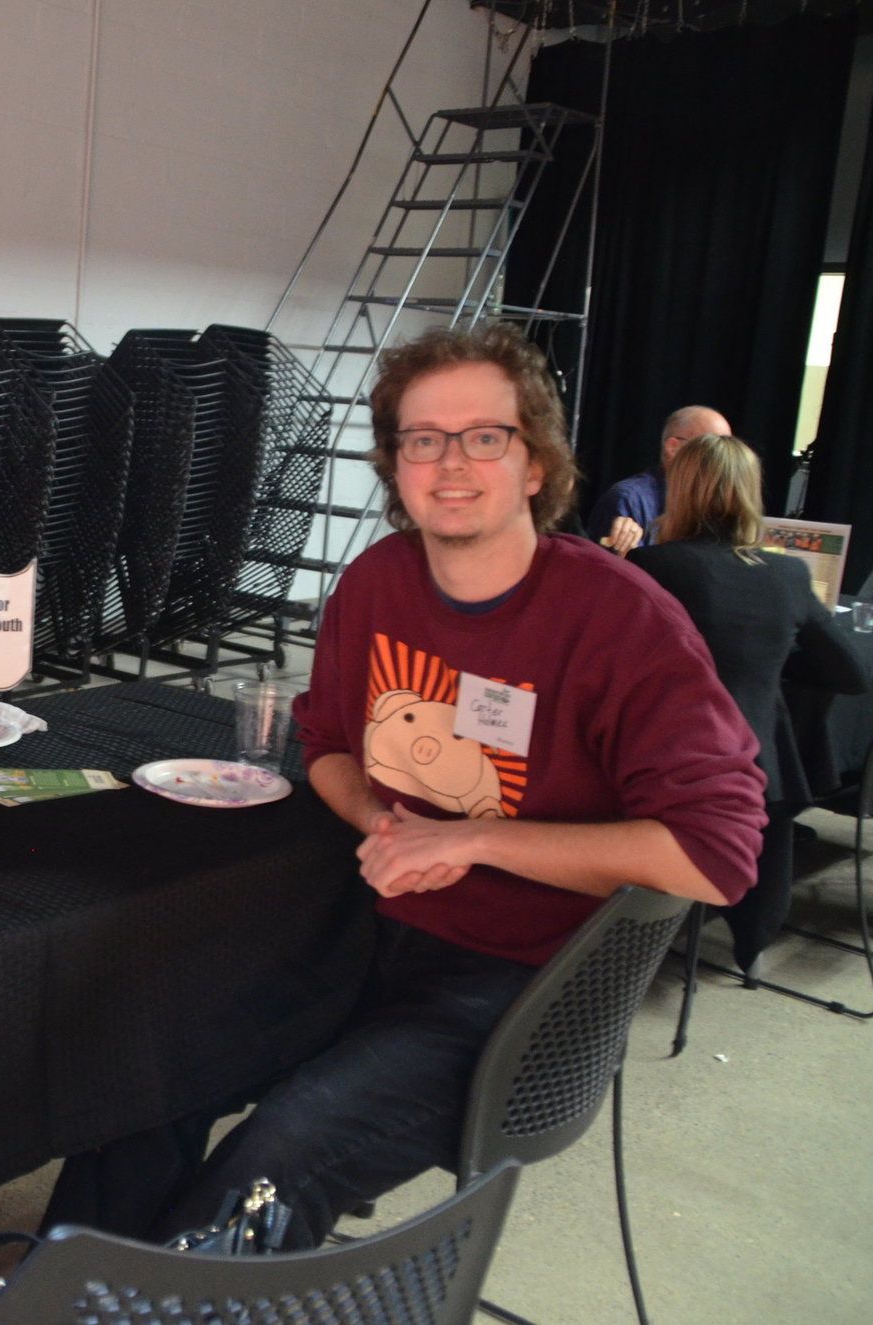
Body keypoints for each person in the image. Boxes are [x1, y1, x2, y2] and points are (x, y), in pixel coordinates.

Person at [45, 325, 766, 1251]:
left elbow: (717, 853)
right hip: (354, 933)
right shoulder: (378, 584)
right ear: (397, 464)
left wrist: (470, 839)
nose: (450, 462)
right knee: (140, 1078)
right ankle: (58, 1299)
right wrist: (390, 824)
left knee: (269, 1169)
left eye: (484, 436)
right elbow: (332, 746)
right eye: (423, 439)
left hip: (513, 988)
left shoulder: (620, 619)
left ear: (537, 463)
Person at [630, 434, 870, 971]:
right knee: (775, 787)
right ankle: (750, 952)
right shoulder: (787, 574)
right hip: (759, 767)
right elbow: (850, 672)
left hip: (666, 766)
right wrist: (774, 660)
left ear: (682, 489)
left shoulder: (649, 568)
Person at [587, 403, 732, 554]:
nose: (723, 462)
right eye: (712, 449)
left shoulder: (719, 503)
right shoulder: (629, 500)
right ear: (674, 447)